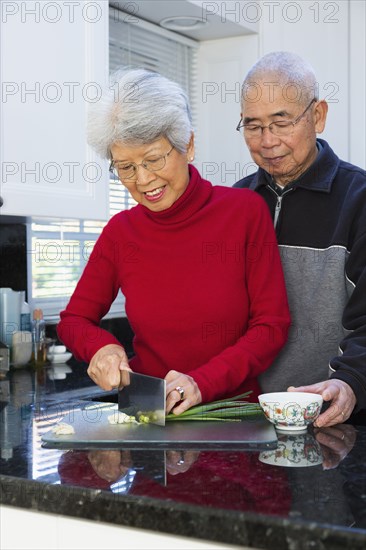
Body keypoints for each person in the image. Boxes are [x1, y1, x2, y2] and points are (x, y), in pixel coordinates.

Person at [57, 68, 290, 415]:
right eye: (125, 167)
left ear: (188, 145)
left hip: (231, 416)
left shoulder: (244, 212)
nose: (143, 180)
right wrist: (101, 348)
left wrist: (201, 382)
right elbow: (74, 320)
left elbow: (271, 327)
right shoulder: (121, 232)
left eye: (153, 159)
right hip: (150, 415)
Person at [234, 51, 366, 427]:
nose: (268, 141)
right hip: (245, 416)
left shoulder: (359, 199)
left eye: (281, 122)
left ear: (318, 116)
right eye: (252, 125)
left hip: (334, 418)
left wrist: (350, 381)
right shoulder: (235, 204)